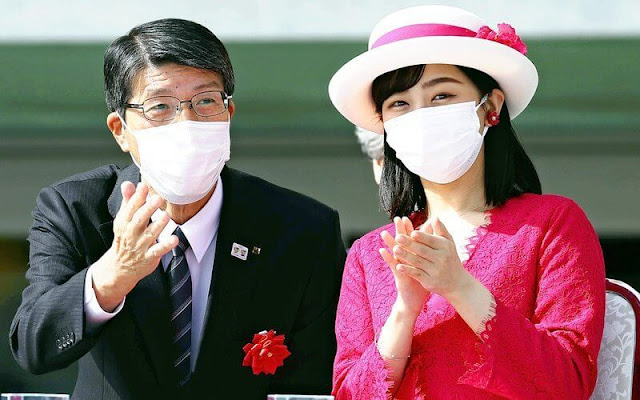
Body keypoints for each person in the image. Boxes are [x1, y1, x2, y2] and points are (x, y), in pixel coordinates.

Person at [10, 18, 345, 400]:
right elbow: (33, 346)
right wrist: (111, 276)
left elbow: (314, 379)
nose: (186, 122)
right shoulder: (73, 208)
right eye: (160, 106)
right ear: (120, 129)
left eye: (205, 101)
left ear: (229, 113)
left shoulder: (302, 228)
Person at [328, 5, 605, 399]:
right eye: (399, 104)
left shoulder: (552, 223)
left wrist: (459, 287)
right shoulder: (368, 254)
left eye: (442, 95)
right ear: (386, 129)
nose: (420, 115)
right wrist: (404, 312)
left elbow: (567, 382)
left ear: (490, 107)